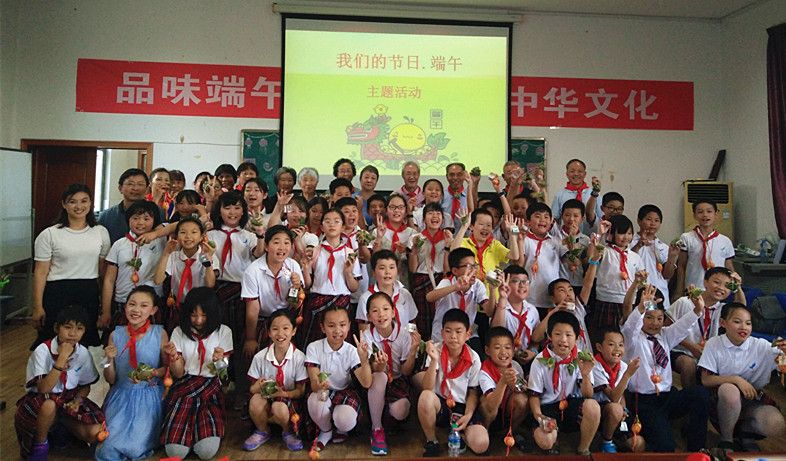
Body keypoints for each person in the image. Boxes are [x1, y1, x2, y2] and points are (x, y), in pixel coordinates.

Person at [620, 284, 710, 452]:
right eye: (649, 317)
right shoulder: (631, 339)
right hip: (644, 402)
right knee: (666, 446)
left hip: (668, 397)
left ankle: (697, 449)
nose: (655, 323)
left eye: (659, 318)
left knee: (700, 394)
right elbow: (631, 326)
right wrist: (641, 308)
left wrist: (698, 310)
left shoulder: (665, 335)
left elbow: (682, 326)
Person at [15, 306, 105, 461]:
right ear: (57, 328)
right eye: (67, 327)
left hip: (67, 400)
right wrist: (61, 359)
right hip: (41, 401)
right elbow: (44, 388)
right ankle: (40, 445)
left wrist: (77, 401)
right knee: (49, 405)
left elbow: (85, 385)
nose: (72, 333)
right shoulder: (43, 350)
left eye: (79, 329)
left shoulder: (83, 353)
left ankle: (61, 430)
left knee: (94, 432)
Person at [698, 303, 786, 451]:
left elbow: (782, 365)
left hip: (752, 399)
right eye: (737, 322)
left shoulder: (762, 346)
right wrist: (736, 380)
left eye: (748, 323)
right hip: (722, 402)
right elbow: (706, 380)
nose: (743, 327)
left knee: (776, 423)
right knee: (730, 390)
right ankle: (727, 440)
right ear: (723, 323)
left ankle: (745, 434)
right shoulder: (714, 343)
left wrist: (785, 353)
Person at [32, 183, 111, 348]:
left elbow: (103, 273)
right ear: (64, 204)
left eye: (84, 201)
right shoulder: (49, 234)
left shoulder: (100, 232)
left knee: (85, 342)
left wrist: (105, 308)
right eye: (72, 201)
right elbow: (40, 272)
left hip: (88, 292)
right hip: (57, 292)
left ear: (91, 203)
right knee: (53, 341)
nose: (79, 206)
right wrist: (38, 306)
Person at [96, 286, 168, 461]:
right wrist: (109, 359)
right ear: (125, 306)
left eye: (144, 306)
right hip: (120, 396)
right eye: (132, 304)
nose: (136, 310)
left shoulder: (159, 333)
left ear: (153, 310)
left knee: (135, 448)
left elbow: (167, 369)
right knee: (107, 448)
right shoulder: (116, 334)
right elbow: (111, 378)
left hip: (149, 396)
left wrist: (153, 373)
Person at [161, 287, 233, 460]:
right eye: (193, 315)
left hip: (210, 390)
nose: (198, 320)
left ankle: (197, 436)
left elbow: (223, 377)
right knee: (175, 452)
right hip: (184, 390)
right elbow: (178, 374)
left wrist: (219, 362)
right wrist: (174, 357)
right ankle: (187, 438)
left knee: (206, 452)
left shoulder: (224, 331)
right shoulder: (179, 331)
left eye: (204, 315)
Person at [417, 308, 488, 457]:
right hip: (441, 404)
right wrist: (434, 360)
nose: (453, 336)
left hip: (462, 406)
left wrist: (468, 415)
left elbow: (473, 392)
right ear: (442, 333)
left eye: (458, 331)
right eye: (448, 331)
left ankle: (461, 435)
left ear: (468, 335)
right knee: (425, 397)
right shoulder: (436, 350)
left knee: (481, 444)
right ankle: (432, 441)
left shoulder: (474, 358)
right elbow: (427, 387)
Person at [528, 311, 600, 455]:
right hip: (548, 407)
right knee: (545, 440)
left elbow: (588, 394)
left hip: (572, 405)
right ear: (549, 336)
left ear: (577, 338)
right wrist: (539, 416)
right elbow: (534, 395)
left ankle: (583, 448)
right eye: (558, 334)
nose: (563, 340)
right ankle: (552, 441)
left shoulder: (581, 358)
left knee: (593, 406)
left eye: (568, 335)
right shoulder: (539, 360)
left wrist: (585, 374)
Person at [305, 306, 372, 453]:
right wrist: (320, 385)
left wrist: (364, 359)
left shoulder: (352, 350)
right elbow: (314, 384)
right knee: (316, 400)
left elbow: (366, 383)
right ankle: (326, 430)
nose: (337, 330)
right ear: (322, 328)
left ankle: (341, 430)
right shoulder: (313, 348)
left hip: (344, 392)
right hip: (322, 391)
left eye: (342, 325)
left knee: (345, 420)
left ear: (348, 326)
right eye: (331, 326)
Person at [362, 292, 420, 455]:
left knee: (401, 410)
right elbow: (372, 371)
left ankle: (386, 416)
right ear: (369, 317)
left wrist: (413, 351)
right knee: (379, 376)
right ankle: (376, 429)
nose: (381, 314)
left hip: (397, 379)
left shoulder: (404, 334)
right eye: (375, 311)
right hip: (376, 381)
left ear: (394, 312)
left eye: (385, 309)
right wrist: (380, 366)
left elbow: (405, 371)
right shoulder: (366, 336)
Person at [667, 267, 745, 387]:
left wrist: (738, 288)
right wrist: (691, 346)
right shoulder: (684, 302)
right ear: (705, 282)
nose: (721, 288)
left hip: (707, 354)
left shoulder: (722, 309)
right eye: (716, 282)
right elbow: (665, 329)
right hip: (680, 350)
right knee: (688, 364)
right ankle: (690, 395)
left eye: (727, 285)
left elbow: (741, 309)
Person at [295, 209, 362, 347]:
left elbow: (354, 288)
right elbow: (308, 285)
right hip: (317, 302)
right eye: (327, 221)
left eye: (337, 221)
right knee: (314, 343)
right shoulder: (314, 251)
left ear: (343, 227)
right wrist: (306, 269)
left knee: (341, 344)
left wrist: (348, 273)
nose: (332, 224)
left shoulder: (350, 253)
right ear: (321, 227)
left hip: (341, 302)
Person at [244, 309, 307, 452]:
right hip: (266, 399)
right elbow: (252, 389)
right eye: (275, 329)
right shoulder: (260, 357)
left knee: (279, 407)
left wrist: (284, 394)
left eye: (285, 328)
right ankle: (262, 430)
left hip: (288, 402)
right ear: (269, 332)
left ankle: (288, 431)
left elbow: (300, 391)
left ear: (294, 331)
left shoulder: (299, 358)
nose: (280, 334)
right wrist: (258, 386)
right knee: (255, 401)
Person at [241, 225, 306, 360]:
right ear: (266, 246)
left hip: (286, 319)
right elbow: (253, 309)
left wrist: (296, 287)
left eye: (286, 243)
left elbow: (294, 304)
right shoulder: (253, 271)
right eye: (276, 242)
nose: (282, 247)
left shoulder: (293, 265)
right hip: (263, 321)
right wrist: (250, 338)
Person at [100, 200, 165, 330]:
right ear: (128, 220)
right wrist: (106, 311)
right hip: (123, 301)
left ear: (154, 221)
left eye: (146, 219)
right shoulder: (119, 244)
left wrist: (155, 234)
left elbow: (179, 225)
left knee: (152, 339)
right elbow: (109, 280)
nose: (140, 222)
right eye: (135, 218)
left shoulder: (160, 240)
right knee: (120, 338)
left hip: (151, 303)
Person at [153, 217, 219, 332]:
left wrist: (207, 260)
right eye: (183, 232)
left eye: (194, 232)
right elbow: (158, 280)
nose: (188, 236)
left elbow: (210, 284)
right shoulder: (173, 256)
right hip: (178, 305)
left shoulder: (208, 255)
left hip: (201, 309)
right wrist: (165, 254)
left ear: (202, 237)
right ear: (177, 236)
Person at [427, 248, 489, 356]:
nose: (474, 270)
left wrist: (493, 289)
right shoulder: (447, 282)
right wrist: (455, 287)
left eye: (475, 266)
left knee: (478, 356)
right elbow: (429, 297)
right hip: (443, 337)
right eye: (469, 267)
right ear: (455, 271)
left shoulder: (478, 285)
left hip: (466, 336)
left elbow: (489, 311)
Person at [591, 215, 644, 338]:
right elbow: (592, 255)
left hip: (629, 302)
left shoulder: (635, 257)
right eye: (621, 233)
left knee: (626, 337)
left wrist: (642, 279)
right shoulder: (605, 251)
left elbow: (642, 282)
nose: (626, 237)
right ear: (612, 233)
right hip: (607, 300)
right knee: (605, 337)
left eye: (629, 233)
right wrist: (600, 233)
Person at [477, 327, 529, 452]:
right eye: (497, 348)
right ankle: (485, 433)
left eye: (507, 347)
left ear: (513, 349)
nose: (503, 352)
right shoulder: (484, 371)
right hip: (489, 415)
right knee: (486, 403)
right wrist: (503, 382)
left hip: (507, 413)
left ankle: (510, 432)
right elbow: (491, 405)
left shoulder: (515, 366)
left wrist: (521, 387)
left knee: (523, 400)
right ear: (487, 350)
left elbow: (521, 389)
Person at [591, 327, 643, 453]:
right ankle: (606, 442)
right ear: (599, 347)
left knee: (638, 443)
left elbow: (621, 394)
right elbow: (613, 397)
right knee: (615, 409)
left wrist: (623, 409)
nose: (617, 349)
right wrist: (628, 374)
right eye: (611, 344)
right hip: (600, 411)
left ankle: (620, 445)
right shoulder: (594, 366)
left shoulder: (623, 366)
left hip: (618, 411)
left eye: (620, 345)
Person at [408, 202, 452, 339]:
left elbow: (447, 270)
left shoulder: (448, 238)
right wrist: (414, 251)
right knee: (422, 320)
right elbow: (413, 269)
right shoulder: (416, 238)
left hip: (441, 280)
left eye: (438, 213)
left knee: (441, 317)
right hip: (421, 281)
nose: (435, 216)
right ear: (423, 219)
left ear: (443, 219)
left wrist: (448, 247)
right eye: (430, 213)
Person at [676, 200, 735, 298]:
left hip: (718, 290)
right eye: (700, 212)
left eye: (709, 211)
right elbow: (681, 266)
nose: (705, 215)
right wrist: (679, 291)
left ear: (716, 214)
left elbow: (729, 268)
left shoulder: (725, 240)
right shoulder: (686, 238)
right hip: (693, 288)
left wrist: (733, 289)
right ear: (694, 215)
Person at [355, 250, 418, 330]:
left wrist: (413, 335)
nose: (387, 272)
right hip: (378, 338)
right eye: (382, 268)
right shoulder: (366, 298)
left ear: (397, 270)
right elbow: (364, 330)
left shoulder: (405, 294)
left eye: (391, 267)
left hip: (404, 337)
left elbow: (411, 321)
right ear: (373, 272)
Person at [631, 204, 679, 307]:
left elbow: (667, 275)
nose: (653, 223)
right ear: (639, 221)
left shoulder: (663, 246)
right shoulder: (630, 241)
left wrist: (672, 257)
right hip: (636, 293)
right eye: (649, 219)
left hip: (659, 293)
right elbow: (627, 262)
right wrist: (639, 245)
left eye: (657, 220)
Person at [491, 266, 539, 368]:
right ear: (505, 283)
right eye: (516, 281)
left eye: (525, 281)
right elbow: (496, 332)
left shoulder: (532, 310)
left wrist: (532, 352)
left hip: (527, 359)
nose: (522, 285)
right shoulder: (499, 307)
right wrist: (503, 298)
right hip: (503, 360)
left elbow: (536, 339)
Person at [520, 202, 561, 319]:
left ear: (551, 221)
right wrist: (518, 240)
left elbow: (570, 263)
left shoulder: (556, 242)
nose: (542, 220)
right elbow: (519, 264)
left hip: (552, 299)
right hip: (530, 298)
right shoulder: (524, 240)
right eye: (537, 216)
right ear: (528, 221)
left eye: (546, 217)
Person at [99, 168, 156, 243]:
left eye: (140, 184)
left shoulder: (156, 212)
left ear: (147, 189)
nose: (135, 188)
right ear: (120, 188)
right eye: (130, 184)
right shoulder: (106, 216)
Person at [372, 193, 415, 283]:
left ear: (406, 211)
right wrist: (379, 238)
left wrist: (406, 252)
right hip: (382, 279)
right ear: (386, 210)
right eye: (392, 207)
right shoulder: (378, 231)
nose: (396, 210)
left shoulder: (412, 233)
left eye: (400, 207)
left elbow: (414, 265)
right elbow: (374, 259)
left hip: (404, 280)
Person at [550, 159, 601, 229]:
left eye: (580, 171)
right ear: (567, 174)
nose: (576, 174)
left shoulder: (594, 193)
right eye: (572, 171)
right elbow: (554, 219)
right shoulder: (560, 194)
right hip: (567, 235)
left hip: (590, 234)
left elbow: (601, 216)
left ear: (585, 174)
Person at [558, 199, 590, 294]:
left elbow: (579, 263)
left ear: (582, 218)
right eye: (567, 215)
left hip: (578, 282)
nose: (571, 219)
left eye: (576, 216)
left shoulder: (586, 240)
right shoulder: (556, 236)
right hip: (559, 282)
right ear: (562, 216)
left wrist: (572, 238)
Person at [442, 163, 471, 232]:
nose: (455, 178)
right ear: (447, 176)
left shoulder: (469, 195)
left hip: (465, 236)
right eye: (452, 175)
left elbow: (472, 214)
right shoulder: (440, 195)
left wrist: (471, 183)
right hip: (444, 236)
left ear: (464, 176)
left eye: (459, 174)